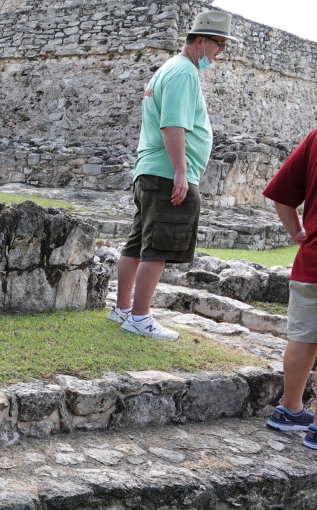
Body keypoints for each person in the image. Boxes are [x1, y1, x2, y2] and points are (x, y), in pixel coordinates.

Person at [107, 11, 237, 340]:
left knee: (138, 243)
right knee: (159, 246)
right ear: (199, 41)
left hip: (151, 170)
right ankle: (139, 317)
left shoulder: (168, 69)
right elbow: (172, 124)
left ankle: (123, 308)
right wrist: (181, 170)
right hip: (166, 172)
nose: (220, 51)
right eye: (219, 44)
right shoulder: (183, 73)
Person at [264, 128, 317, 444]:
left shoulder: (314, 138)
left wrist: (299, 231)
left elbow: (282, 197)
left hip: (310, 261)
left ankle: (289, 409)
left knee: (303, 337)